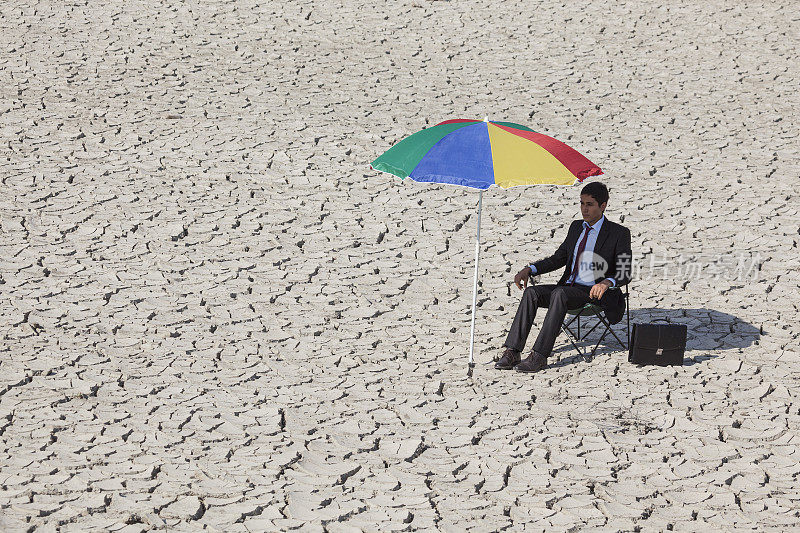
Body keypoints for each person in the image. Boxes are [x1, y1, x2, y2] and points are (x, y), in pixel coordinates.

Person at [496, 182, 632, 373]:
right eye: (582, 203)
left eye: (590, 204)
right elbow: (558, 258)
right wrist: (531, 269)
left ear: (603, 206)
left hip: (595, 292)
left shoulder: (619, 233)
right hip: (569, 287)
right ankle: (513, 351)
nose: (584, 209)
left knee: (560, 293)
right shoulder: (576, 227)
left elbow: (625, 272)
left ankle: (539, 356)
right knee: (532, 293)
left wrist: (607, 282)